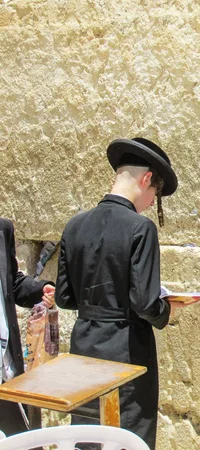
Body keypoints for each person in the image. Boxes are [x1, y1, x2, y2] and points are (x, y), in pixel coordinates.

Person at [55, 138, 179, 449]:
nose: (152, 203)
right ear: (147, 179)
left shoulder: (74, 225)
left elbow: (64, 298)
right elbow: (145, 302)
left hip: (84, 348)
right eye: (155, 195)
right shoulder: (141, 228)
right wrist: (167, 309)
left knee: (87, 434)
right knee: (127, 436)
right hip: (125, 354)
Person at [0, 218, 55, 436]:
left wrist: (40, 290)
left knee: (22, 440)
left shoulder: (3, 229)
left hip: (6, 369)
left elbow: (11, 282)